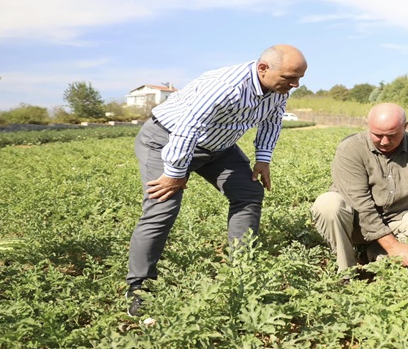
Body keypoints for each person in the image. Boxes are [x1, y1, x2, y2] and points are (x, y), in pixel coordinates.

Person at [125, 44, 308, 317]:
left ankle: (241, 270)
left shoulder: (277, 89)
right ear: (263, 69)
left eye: (298, 79)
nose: (294, 85)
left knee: (248, 193)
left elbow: (272, 121)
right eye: (289, 78)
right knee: (162, 207)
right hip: (167, 140)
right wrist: (176, 174)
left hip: (218, 148)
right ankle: (139, 287)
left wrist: (263, 159)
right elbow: (188, 128)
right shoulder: (226, 86)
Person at [310, 103, 408, 274]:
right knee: (327, 205)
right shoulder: (350, 149)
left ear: (405, 127)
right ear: (368, 125)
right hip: (354, 224)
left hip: (397, 217)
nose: (384, 142)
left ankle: (377, 251)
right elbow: (360, 205)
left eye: (392, 135)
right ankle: (347, 270)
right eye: (377, 135)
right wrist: (392, 245)